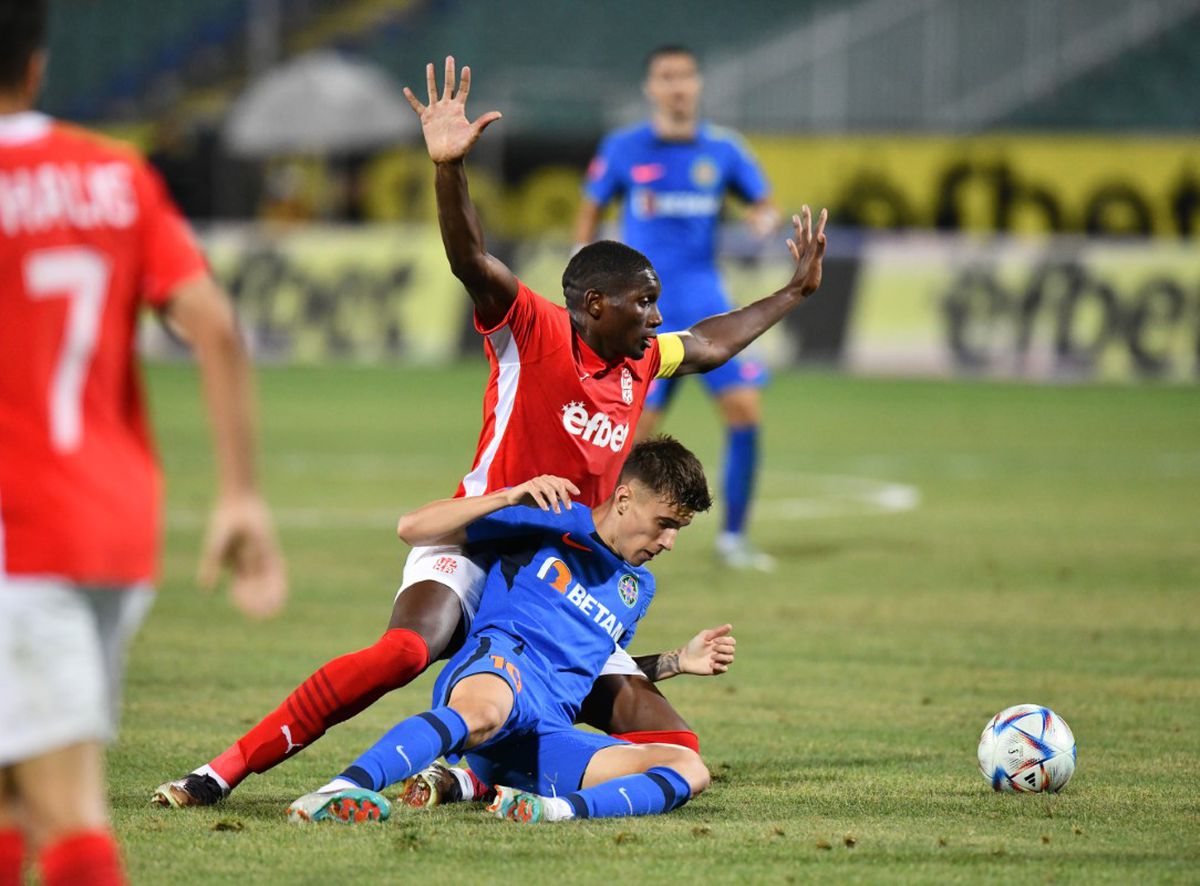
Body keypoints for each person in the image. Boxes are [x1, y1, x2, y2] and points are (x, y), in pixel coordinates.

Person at [154, 55, 825, 810]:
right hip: (481, 536)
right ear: (595, 305)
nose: (657, 319)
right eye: (645, 304)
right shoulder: (531, 330)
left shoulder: (641, 360)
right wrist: (449, 169)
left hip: (563, 564)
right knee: (406, 651)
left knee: (675, 747)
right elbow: (470, 255)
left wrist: (792, 293)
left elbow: (711, 342)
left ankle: (477, 775)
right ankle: (224, 770)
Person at [0, 3, 287, 885]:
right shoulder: (116, 176)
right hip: (113, 527)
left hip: (19, 532)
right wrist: (239, 494)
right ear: (40, 66)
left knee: (70, 810)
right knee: (16, 790)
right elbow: (214, 325)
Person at [287, 437, 720, 825]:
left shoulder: (637, 589)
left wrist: (677, 661)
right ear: (624, 498)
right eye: (665, 523)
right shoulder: (551, 518)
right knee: (486, 711)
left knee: (689, 767)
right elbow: (412, 528)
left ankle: (549, 810)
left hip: (544, 733)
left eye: (678, 529)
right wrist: (507, 496)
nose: (669, 542)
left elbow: (595, 669)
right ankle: (338, 791)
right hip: (500, 667)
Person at [574, 45, 782, 571]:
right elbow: (590, 209)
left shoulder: (724, 151)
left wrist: (765, 218)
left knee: (745, 413)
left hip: (706, 304)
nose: (677, 87)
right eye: (666, 77)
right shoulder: (623, 149)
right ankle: (605, 541)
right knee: (631, 434)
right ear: (650, 87)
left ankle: (734, 539)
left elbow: (764, 202)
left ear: (698, 84)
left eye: (685, 76)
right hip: (641, 314)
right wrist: (580, 273)